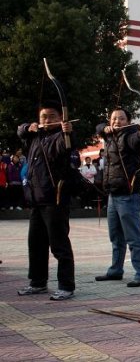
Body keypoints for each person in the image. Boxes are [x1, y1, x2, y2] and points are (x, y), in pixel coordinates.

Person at [16, 100, 76, 300]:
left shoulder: (60, 136)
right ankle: (37, 283)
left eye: (52, 117)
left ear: (61, 118)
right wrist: (28, 127)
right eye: (44, 117)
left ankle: (66, 286)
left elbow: (66, 146)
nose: (47, 120)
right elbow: (20, 131)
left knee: (59, 244)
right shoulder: (35, 137)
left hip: (55, 198)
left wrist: (67, 132)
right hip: (36, 199)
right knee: (36, 244)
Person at [94, 107, 140, 287]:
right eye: (114, 118)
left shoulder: (132, 135)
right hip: (113, 194)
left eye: (121, 118)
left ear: (128, 121)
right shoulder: (109, 136)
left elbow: (137, 139)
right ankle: (115, 270)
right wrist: (104, 128)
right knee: (116, 237)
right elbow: (98, 127)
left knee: (133, 237)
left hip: (129, 195)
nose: (117, 121)